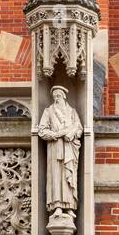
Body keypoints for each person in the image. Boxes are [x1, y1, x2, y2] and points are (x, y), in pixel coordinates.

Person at [37, 86, 81, 215]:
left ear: (64, 96)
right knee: (56, 177)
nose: (56, 98)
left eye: (59, 95)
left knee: (69, 176)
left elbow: (79, 128)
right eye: (54, 96)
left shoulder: (72, 112)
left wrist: (72, 134)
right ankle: (57, 206)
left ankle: (69, 206)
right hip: (55, 148)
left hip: (69, 148)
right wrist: (57, 134)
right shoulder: (48, 111)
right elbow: (42, 130)